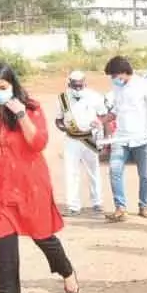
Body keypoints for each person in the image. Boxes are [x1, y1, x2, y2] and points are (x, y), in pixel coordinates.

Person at [0, 62, 79, 293]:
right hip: (1, 193)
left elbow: (38, 142)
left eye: (3, 87)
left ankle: (67, 272)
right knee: (2, 246)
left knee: (43, 237)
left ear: (13, 85)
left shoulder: (31, 108)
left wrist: (20, 116)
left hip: (31, 187)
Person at [103, 56, 147, 222]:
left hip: (142, 138)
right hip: (121, 138)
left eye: (114, 76)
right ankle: (120, 208)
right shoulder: (117, 87)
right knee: (114, 171)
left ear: (123, 72)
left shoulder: (144, 86)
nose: (113, 80)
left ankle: (144, 205)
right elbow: (116, 110)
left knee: (145, 175)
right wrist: (101, 121)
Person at [54, 70, 108, 216]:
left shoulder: (94, 96)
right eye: (74, 86)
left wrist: (99, 126)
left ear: (85, 83)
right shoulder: (62, 98)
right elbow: (58, 120)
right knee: (71, 172)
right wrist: (63, 127)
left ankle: (97, 202)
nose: (77, 89)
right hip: (71, 139)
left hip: (90, 139)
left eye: (80, 85)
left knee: (94, 171)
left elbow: (104, 115)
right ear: (69, 84)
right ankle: (73, 205)